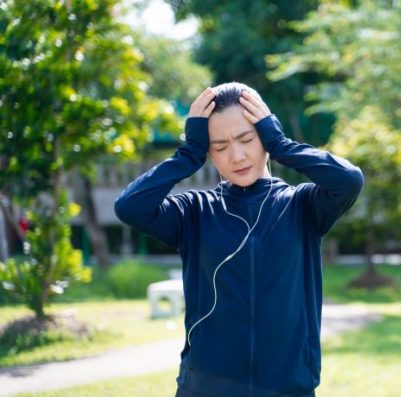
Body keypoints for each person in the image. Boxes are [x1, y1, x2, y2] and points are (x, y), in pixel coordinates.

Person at [114, 82, 364, 397]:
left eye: (247, 138)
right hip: (204, 389)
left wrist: (282, 144)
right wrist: (188, 154)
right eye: (219, 146)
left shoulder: (303, 206)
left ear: (265, 135)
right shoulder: (194, 212)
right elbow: (129, 206)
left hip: (287, 388)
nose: (237, 155)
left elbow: (349, 180)